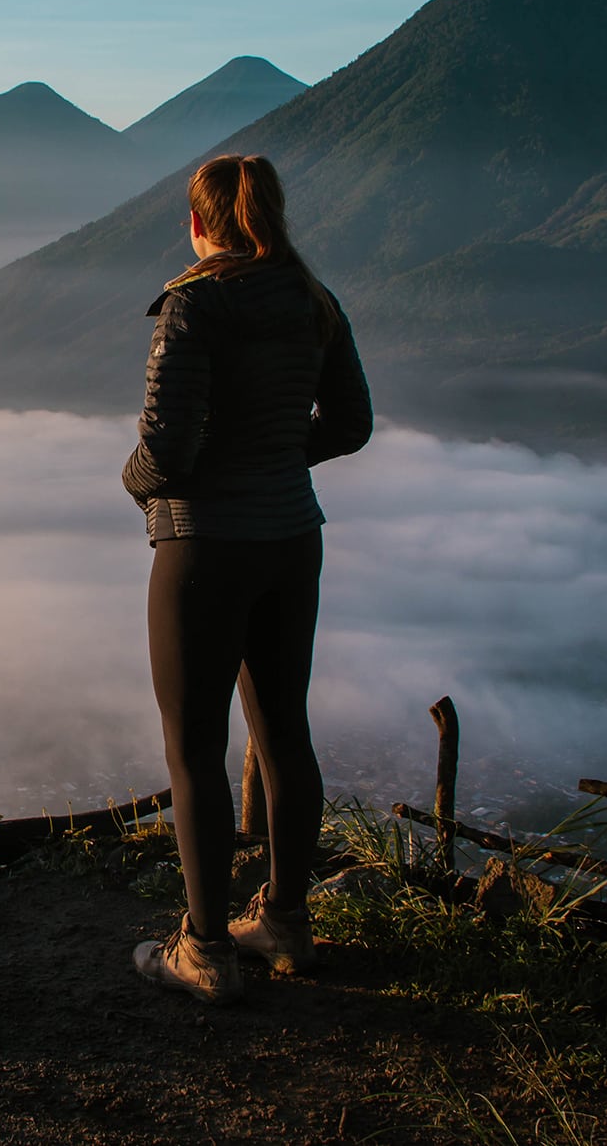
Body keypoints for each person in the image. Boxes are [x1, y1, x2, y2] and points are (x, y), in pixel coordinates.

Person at [122, 153, 373, 1003]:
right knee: (283, 733)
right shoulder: (313, 300)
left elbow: (165, 451)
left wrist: (131, 480)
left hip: (205, 546)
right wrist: (273, 459)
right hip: (292, 537)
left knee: (194, 746)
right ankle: (285, 923)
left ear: (199, 223)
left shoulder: (194, 302)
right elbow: (352, 423)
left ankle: (203, 948)